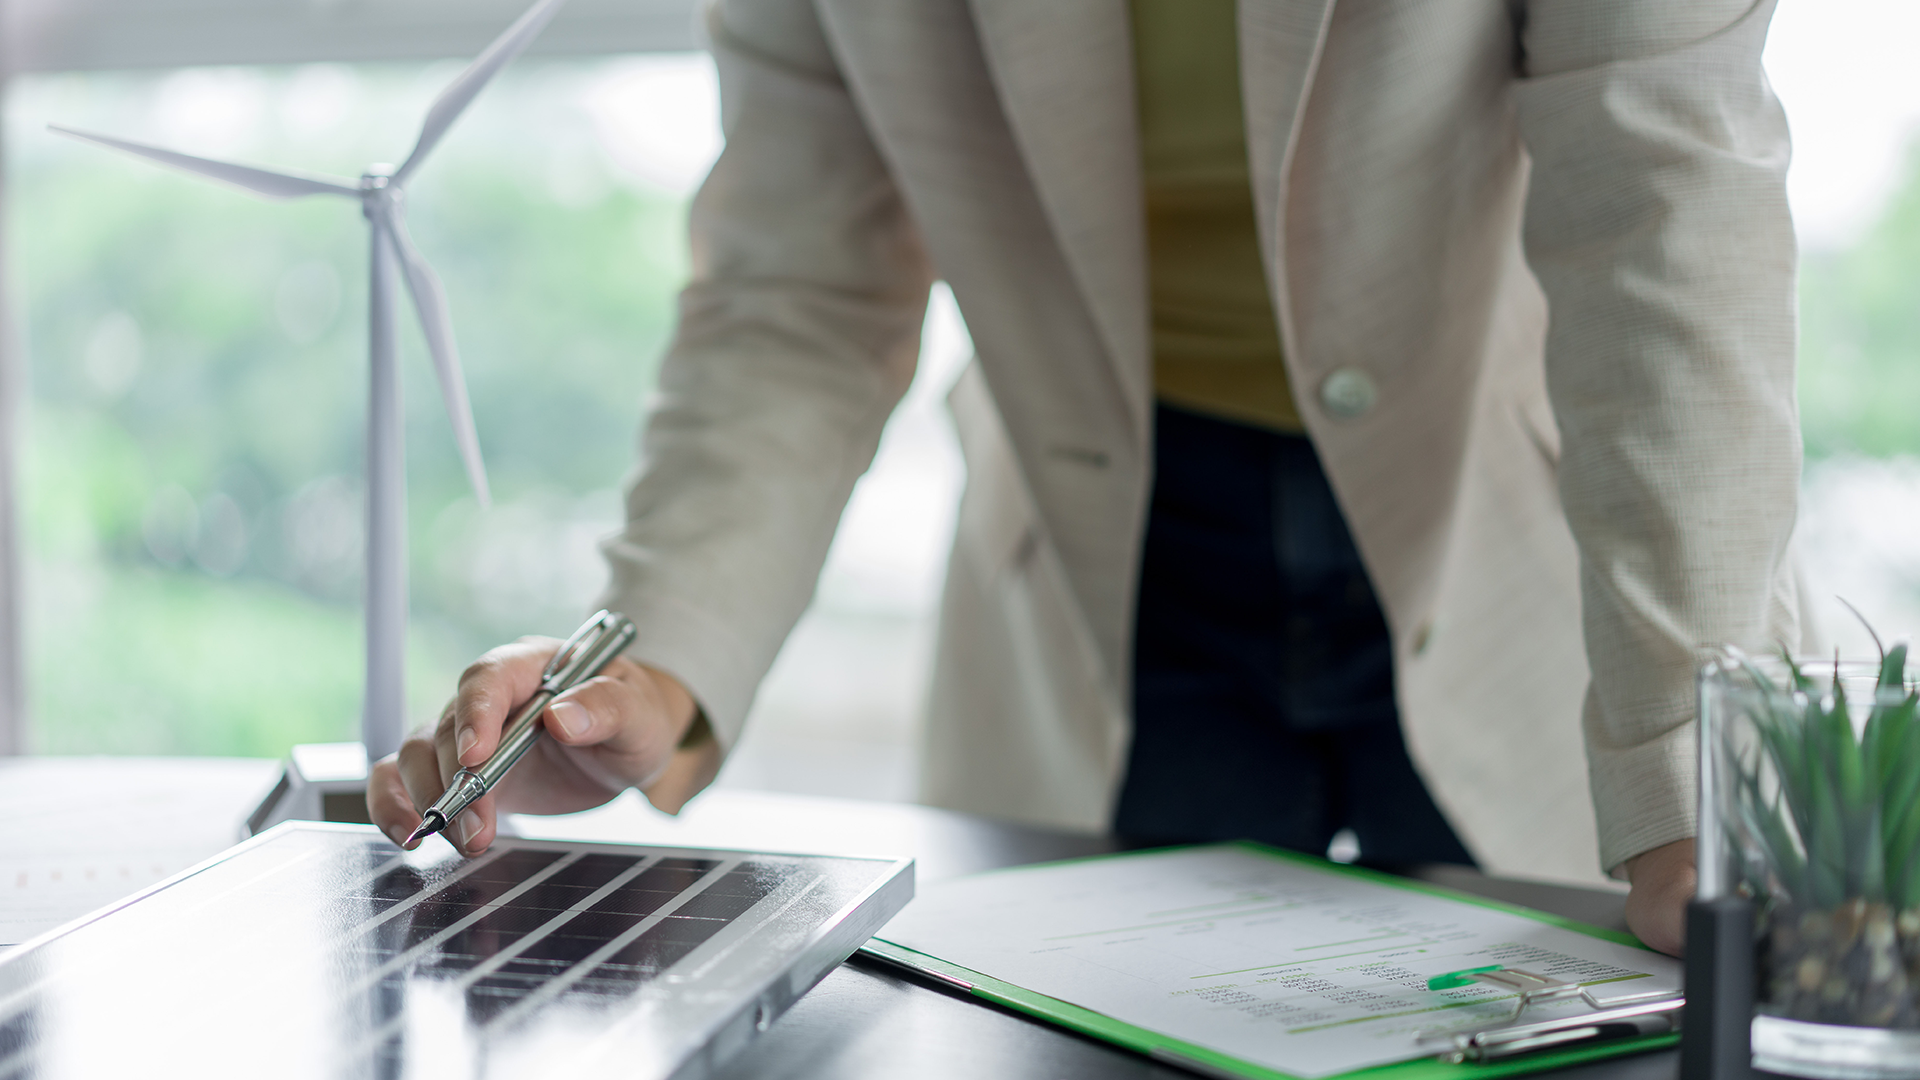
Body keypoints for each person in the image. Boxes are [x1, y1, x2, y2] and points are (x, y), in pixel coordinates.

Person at [369, 0, 1805, 957]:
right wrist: (658, 667)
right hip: (1099, 573)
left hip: (1541, 570)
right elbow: (800, 283)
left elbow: (1663, 207)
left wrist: (1692, 771)